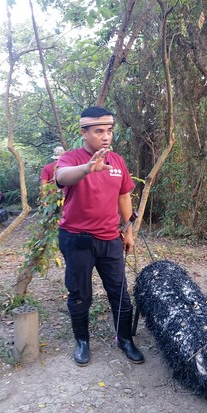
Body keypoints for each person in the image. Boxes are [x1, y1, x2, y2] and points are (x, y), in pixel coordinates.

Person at [55, 106, 143, 367]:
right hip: (77, 239)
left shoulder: (118, 162)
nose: (106, 137)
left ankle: (125, 339)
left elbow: (124, 195)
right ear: (84, 133)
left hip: (109, 239)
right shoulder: (71, 159)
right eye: (98, 131)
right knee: (80, 293)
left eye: (109, 131)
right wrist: (87, 169)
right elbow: (61, 177)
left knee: (119, 292)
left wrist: (128, 231)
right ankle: (82, 342)